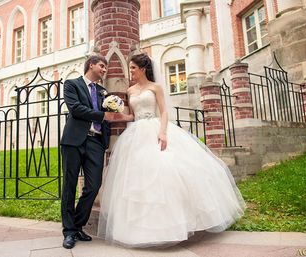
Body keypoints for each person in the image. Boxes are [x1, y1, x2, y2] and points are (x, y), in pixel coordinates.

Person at [97, 53, 246, 247]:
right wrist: (116, 111)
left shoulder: (155, 87)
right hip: (136, 134)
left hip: (155, 128)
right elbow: (132, 116)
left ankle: (173, 225)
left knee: (164, 171)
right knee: (138, 179)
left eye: (133, 67)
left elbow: (164, 111)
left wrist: (163, 133)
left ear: (142, 69)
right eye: (130, 68)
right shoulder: (131, 90)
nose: (130, 71)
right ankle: (140, 230)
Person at [60, 55, 125, 249]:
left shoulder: (103, 91)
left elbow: (109, 116)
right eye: (102, 66)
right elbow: (76, 109)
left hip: (95, 142)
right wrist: (103, 114)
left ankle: (77, 224)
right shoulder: (71, 84)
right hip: (74, 140)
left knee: (94, 184)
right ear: (91, 65)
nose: (104, 70)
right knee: (70, 185)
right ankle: (69, 232)